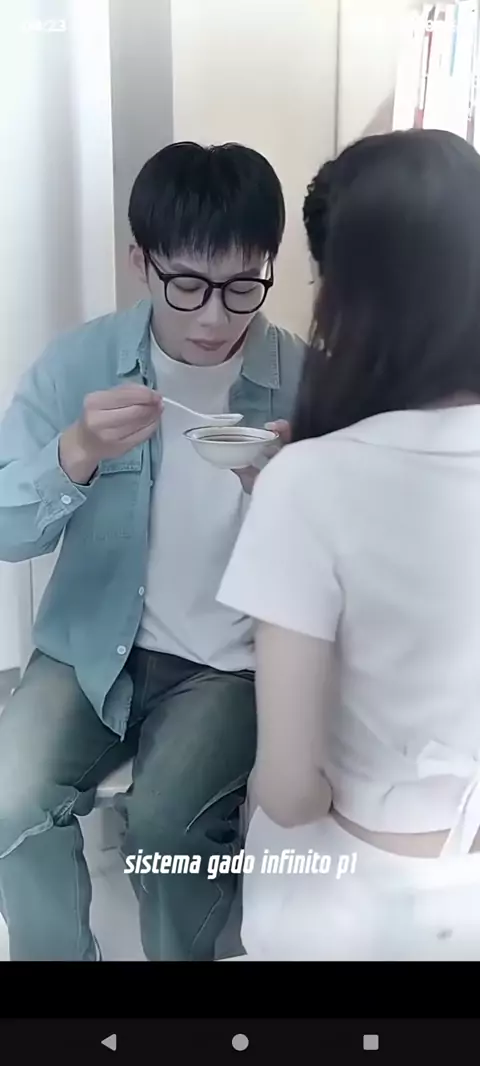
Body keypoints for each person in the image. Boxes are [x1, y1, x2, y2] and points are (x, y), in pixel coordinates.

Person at [0, 141, 305, 961]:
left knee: (168, 826)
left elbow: (358, 566)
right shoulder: (82, 364)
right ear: (141, 261)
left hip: (227, 664)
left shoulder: (305, 383)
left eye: (243, 286)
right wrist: (75, 451)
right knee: (7, 798)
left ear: (270, 267)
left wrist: (295, 498)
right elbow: (7, 530)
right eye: (187, 285)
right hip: (89, 648)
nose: (214, 318)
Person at [217, 129, 480, 961]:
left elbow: (289, 789)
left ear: (348, 297)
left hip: (354, 905)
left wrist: (295, 497)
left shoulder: (307, 483)